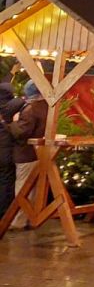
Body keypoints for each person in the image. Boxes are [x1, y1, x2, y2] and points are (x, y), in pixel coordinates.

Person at [7, 81, 48, 229]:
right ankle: (32, 219)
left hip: (26, 153)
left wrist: (13, 123)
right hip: (39, 154)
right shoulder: (47, 106)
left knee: (23, 188)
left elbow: (21, 132)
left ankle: (18, 221)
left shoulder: (30, 109)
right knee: (34, 190)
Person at [0, 81, 24, 219]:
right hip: (6, 151)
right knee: (6, 181)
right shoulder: (12, 106)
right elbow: (22, 100)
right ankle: (5, 214)